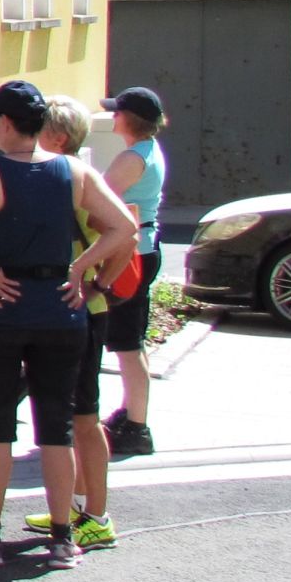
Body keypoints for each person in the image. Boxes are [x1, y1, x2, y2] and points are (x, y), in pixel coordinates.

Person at [0, 80, 137, 571]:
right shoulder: (73, 170)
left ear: (5, 123)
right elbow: (124, 227)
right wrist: (84, 271)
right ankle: (61, 538)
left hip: (1, 307)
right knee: (56, 427)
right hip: (59, 306)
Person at [26, 96, 123, 553]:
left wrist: (94, 279)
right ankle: (75, 507)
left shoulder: (77, 178)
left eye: (39, 128)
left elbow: (125, 234)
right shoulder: (59, 175)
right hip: (66, 309)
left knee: (85, 417)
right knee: (70, 416)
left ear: (57, 137)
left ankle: (98, 517)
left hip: (84, 310)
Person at [99, 86, 170, 459]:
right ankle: (132, 414)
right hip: (144, 248)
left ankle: (137, 427)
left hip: (131, 255)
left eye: (117, 112)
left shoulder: (132, 158)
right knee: (132, 340)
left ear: (129, 119)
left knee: (127, 343)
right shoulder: (148, 151)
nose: (113, 116)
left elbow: (98, 198)